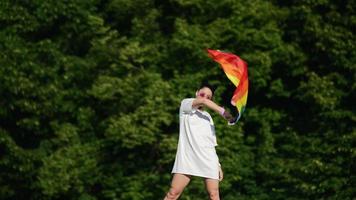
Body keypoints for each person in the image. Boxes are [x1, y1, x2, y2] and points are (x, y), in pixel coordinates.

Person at [164, 83, 236, 200]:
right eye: (203, 94)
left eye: (208, 97)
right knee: (173, 193)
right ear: (197, 93)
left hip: (208, 158)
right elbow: (203, 102)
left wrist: (217, 164)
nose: (204, 98)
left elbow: (210, 143)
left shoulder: (208, 117)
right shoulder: (186, 105)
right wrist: (224, 113)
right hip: (187, 157)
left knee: (214, 195)